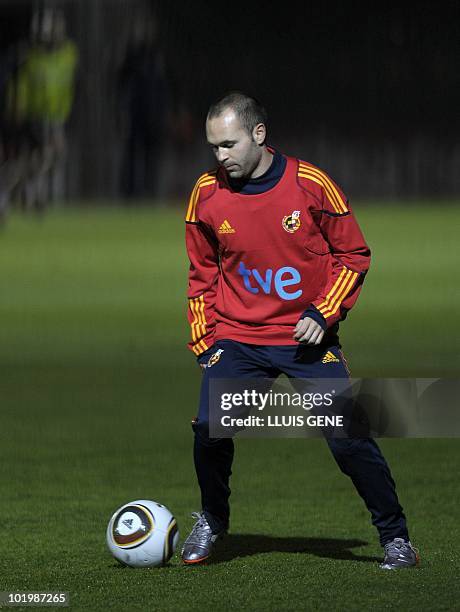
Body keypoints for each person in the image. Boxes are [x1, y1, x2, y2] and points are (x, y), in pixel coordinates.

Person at [182, 91, 418, 570]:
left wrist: (324, 312)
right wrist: (206, 344)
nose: (220, 157)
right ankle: (212, 519)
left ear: (258, 135)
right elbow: (201, 273)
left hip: (304, 339)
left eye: (228, 144)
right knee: (209, 427)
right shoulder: (206, 194)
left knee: (348, 438)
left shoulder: (310, 185)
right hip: (237, 338)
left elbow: (354, 255)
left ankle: (396, 538)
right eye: (213, 147)